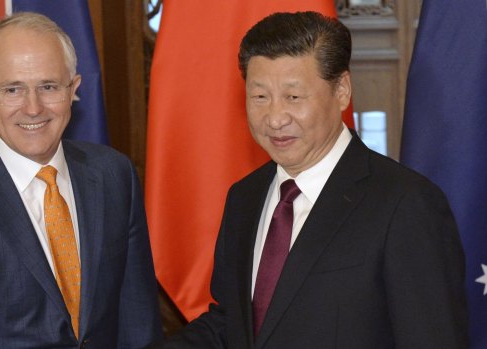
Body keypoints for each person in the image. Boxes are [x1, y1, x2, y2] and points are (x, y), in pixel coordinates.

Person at [149, 11, 468, 349]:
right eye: (259, 97)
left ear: (341, 90)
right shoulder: (245, 197)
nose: (274, 118)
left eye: (293, 97)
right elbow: (234, 323)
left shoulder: (406, 204)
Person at [0, 12, 162, 348]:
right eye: (13, 89)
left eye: (48, 86)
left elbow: (138, 321)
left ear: (74, 89)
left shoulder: (114, 175)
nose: (33, 108)